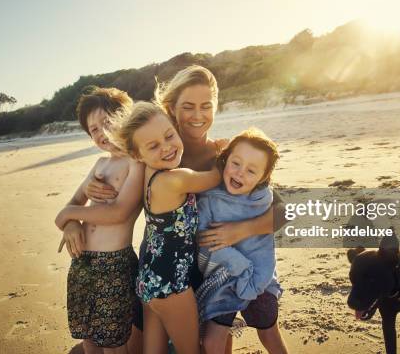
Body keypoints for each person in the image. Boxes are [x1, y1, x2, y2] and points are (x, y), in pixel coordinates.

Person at [83, 65, 288, 351]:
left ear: (216, 106)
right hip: (167, 271)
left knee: (213, 345)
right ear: (171, 107)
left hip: (214, 267)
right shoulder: (151, 156)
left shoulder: (227, 155)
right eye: (188, 106)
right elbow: (115, 205)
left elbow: (282, 210)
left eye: (206, 106)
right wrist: (74, 212)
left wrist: (240, 230)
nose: (197, 115)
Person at [108, 101, 221, 354]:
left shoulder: (150, 173)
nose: (167, 147)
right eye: (153, 146)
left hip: (148, 278)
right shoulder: (176, 179)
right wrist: (223, 150)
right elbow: (216, 177)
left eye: (169, 135)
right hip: (171, 283)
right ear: (138, 155)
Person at [55, 87, 143, 354]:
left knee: (113, 340)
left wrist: (68, 215)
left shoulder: (135, 163)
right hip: (82, 262)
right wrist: (69, 223)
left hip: (113, 265)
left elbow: (118, 213)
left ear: (126, 118)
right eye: (93, 129)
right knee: (88, 333)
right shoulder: (100, 165)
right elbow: (72, 204)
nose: (102, 133)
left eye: (107, 122)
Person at [196, 127, 287, 354]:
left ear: (263, 178)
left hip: (260, 277)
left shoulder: (263, 198)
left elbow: (287, 212)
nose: (239, 173)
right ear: (225, 159)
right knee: (211, 342)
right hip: (222, 277)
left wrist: (241, 231)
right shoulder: (210, 196)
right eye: (236, 163)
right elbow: (206, 240)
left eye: (251, 171)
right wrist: (240, 267)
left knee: (269, 332)